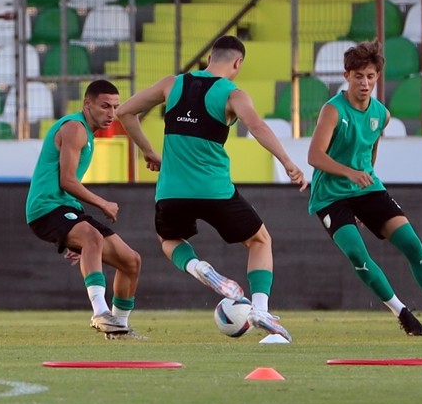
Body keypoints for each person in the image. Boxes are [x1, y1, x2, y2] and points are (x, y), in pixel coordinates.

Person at [116, 35, 305, 342]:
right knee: (260, 240)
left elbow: (124, 112)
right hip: (214, 190)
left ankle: (196, 266)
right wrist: (287, 162)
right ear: (237, 63)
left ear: (209, 59)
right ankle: (260, 310)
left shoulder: (172, 84)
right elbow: (256, 126)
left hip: (172, 191)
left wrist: (148, 151)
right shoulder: (233, 94)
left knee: (168, 239)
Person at [306, 40, 422, 336]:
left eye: (370, 76)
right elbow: (314, 156)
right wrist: (351, 173)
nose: (365, 83)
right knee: (357, 255)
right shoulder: (333, 110)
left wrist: (363, 178)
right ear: (347, 76)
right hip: (330, 197)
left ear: (378, 76)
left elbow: (370, 152)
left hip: (367, 190)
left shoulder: (382, 114)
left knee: (412, 244)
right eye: (358, 76)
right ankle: (400, 310)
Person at [25, 79, 143, 339]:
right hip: (46, 208)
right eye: (105, 106)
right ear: (87, 104)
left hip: (67, 207)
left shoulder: (87, 133)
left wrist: (74, 238)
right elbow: (66, 181)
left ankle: (119, 329)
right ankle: (100, 312)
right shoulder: (74, 128)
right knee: (92, 237)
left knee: (131, 261)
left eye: (115, 107)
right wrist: (103, 203)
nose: (111, 113)